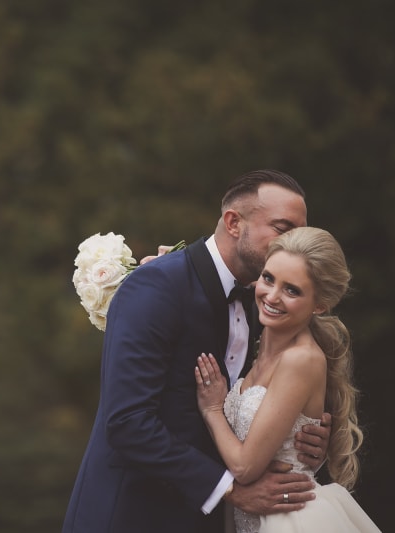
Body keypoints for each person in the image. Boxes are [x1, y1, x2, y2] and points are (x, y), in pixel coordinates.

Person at [62, 170, 332, 533]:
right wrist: (230, 489)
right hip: (129, 515)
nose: (294, 244)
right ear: (234, 223)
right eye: (283, 229)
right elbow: (127, 422)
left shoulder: (265, 305)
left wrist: (302, 436)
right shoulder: (156, 286)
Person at [195, 226, 381, 532]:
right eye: (268, 278)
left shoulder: (301, 359)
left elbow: (244, 467)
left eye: (292, 290)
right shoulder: (259, 342)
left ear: (319, 305)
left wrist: (213, 411)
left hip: (292, 521)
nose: (272, 296)